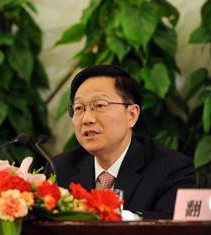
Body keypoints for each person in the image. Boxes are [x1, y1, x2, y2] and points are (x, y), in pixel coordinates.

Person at [45, 64, 196, 219]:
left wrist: (119, 216)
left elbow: (174, 225)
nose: (87, 119)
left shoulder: (171, 168)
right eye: (79, 108)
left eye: (99, 105)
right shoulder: (60, 168)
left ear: (131, 115)